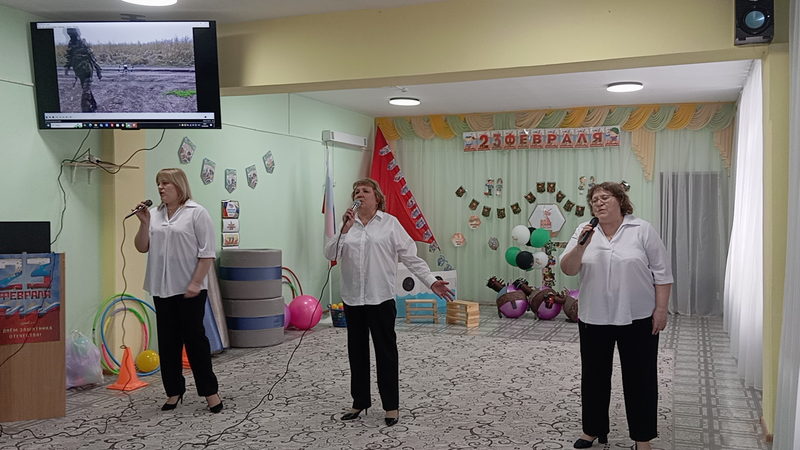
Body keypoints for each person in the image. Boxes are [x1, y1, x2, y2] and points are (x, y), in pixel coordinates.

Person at [324, 178, 454, 427]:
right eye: (356, 191)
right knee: (356, 352)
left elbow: (411, 258)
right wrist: (344, 229)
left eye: (365, 191)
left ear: (377, 198)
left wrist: (431, 281)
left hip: (380, 298)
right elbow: (331, 254)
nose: (359, 194)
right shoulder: (347, 225)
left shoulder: (390, 224)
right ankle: (359, 401)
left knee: (385, 352)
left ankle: (391, 406)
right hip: (353, 298)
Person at [559, 182, 672, 450]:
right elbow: (568, 268)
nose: (598, 203)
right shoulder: (584, 231)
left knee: (641, 378)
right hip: (594, 317)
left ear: (620, 201)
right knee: (594, 377)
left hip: (638, 317)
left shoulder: (641, 229)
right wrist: (581, 247)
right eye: (594, 200)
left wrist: (661, 310)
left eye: (605, 197)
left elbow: (662, 273)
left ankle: (642, 437)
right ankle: (592, 430)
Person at [133, 168, 223, 414]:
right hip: (161, 288)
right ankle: (174, 391)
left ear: (179, 186)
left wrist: (195, 283)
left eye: (166, 183)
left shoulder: (197, 213)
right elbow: (141, 246)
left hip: (190, 289)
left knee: (195, 342)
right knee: (168, 342)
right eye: (158, 183)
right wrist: (144, 223)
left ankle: (210, 392)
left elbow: (207, 254)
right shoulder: (154, 214)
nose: (160, 188)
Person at [64, 27, 102, 112]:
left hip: (87, 71)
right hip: (79, 72)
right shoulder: (71, 44)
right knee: (86, 90)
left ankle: (87, 111)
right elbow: (69, 57)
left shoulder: (83, 43)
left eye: (73, 35)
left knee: (85, 93)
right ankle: (94, 104)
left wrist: (98, 70)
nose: (72, 37)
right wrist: (67, 67)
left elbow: (92, 57)